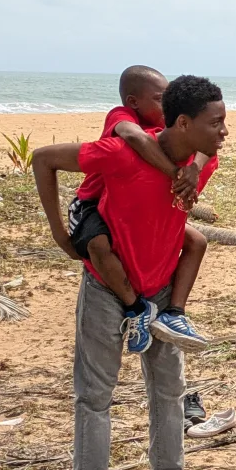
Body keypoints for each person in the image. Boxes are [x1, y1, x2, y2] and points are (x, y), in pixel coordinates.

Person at [31, 75, 227, 470]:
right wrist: (61, 235)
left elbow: (201, 157)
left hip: (159, 288)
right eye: (216, 122)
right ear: (183, 122)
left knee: (169, 390)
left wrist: (197, 164)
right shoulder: (119, 154)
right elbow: (42, 159)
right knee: (96, 395)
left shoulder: (204, 159)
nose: (224, 131)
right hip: (106, 286)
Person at [69, 65, 213, 353]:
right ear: (134, 102)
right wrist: (176, 173)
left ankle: (175, 313)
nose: (166, 105)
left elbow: (206, 145)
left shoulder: (163, 125)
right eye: (160, 98)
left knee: (196, 241)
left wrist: (195, 168)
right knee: (99, 244)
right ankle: (135, 307)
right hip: (94, 203)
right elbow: (136, 139)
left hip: (131, 209)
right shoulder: (121, 116)